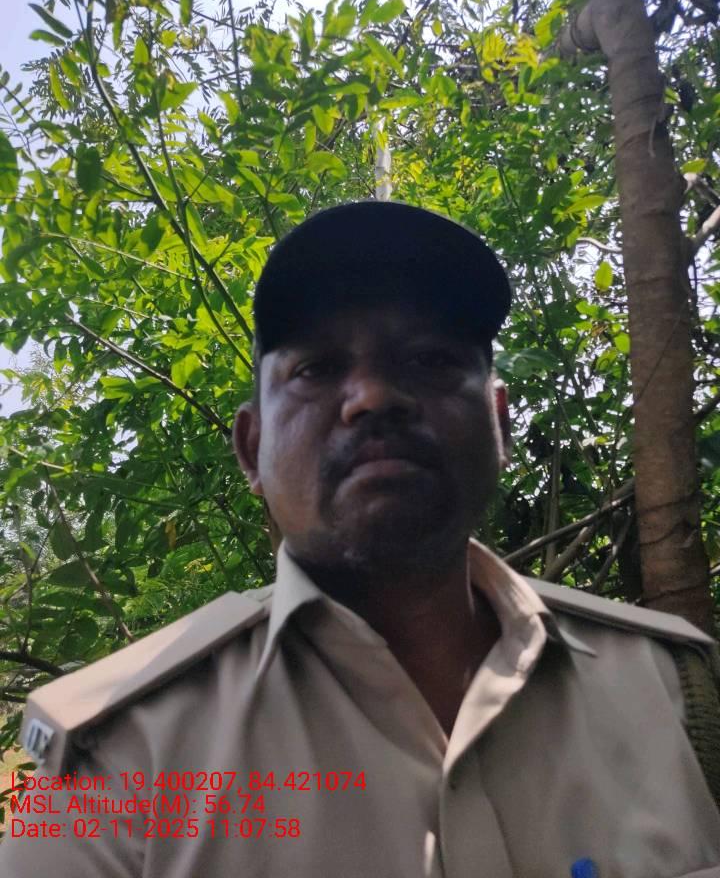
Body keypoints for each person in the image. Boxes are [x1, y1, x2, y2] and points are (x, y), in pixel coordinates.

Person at [1, 200, 719, 878]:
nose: (375, 396)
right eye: (315, 368)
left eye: (432, 360)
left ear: (500, 424)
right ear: (250, 449)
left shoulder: (676, 692)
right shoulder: (118, 762)